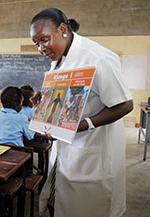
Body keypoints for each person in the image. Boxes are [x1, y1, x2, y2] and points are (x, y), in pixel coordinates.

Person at [30, 8, 133, 217]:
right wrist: (44, 99)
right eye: (37, 43)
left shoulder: (98, 57)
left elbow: (124, 104)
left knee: (89, 208)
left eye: (44, 39)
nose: (41, 48)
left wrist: (83, 124)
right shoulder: (58, 59)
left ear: (62, 29)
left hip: (92, 153)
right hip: (63, 151)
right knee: (56, 199)